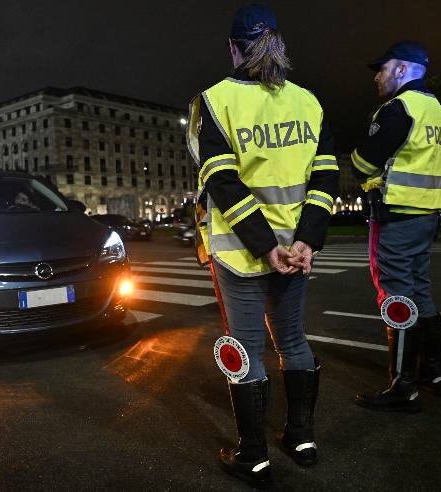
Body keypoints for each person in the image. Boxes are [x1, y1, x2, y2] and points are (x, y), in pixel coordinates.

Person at [187, 4, 339, 486]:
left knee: (249, 348)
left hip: (241, 251)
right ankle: (302, 438)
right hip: (295, 253)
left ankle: (253, 455)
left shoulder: (214, 102)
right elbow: (327, 176)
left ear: (233, 48)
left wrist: (262, 243)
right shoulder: (309, 102)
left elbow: (222, 180)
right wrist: (307, 240)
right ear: (279, 45)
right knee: (292, 340)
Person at [351, 41, 441, 413]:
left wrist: (368, 167)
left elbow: (363, 163)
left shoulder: (399, 109)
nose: (377, 76)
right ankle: (434, 372)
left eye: (382, 68)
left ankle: (402, 384)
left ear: (402, 69)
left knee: (395, 294)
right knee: (419, 289)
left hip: (397, 215)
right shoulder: (436, 109)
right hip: (427, 216)